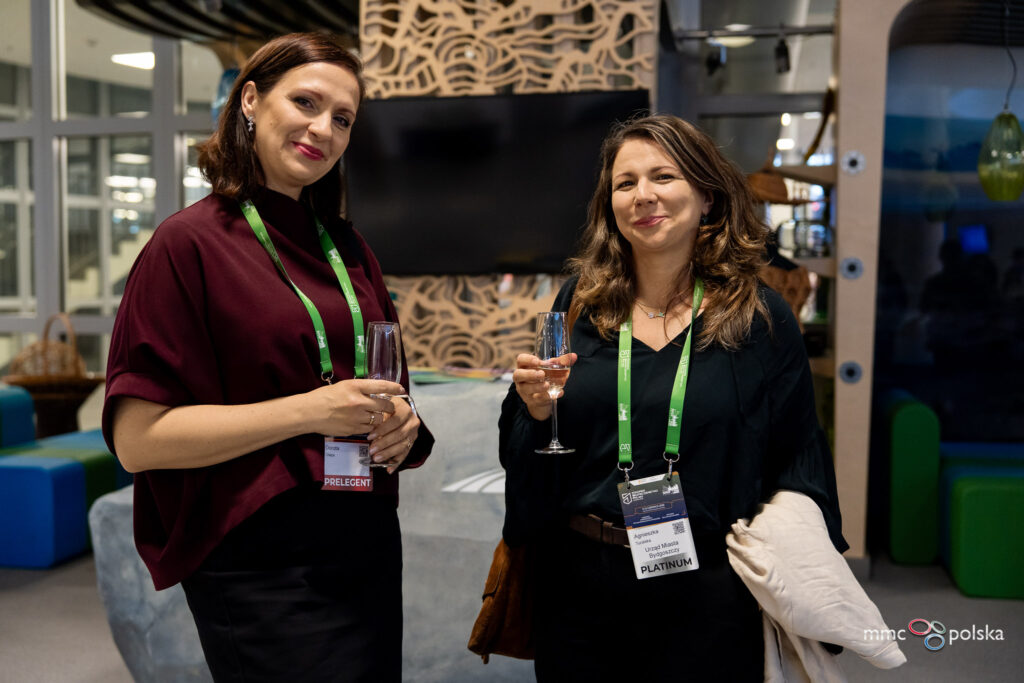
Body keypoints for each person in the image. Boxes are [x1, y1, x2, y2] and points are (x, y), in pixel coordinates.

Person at [102, 33, 433, 682]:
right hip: (259, 562)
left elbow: (384, 387)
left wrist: (404, 424)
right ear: (250, 100)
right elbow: (138, 442)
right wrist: (309, 411)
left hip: (363, 541)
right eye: (306, 102)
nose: (324, 129)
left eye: (343, 119)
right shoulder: (186, 245)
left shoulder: (347, 247)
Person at [499, 114, 846, 681]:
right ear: (610, 204)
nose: (643, 195)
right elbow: (531, 442)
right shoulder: (580, 302)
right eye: (625, 182)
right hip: (580, 587)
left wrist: (815, 583)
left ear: (706, 196)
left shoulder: (759, 316)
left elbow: (799, 453)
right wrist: (534, 409)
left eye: (663, 176)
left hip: (708, 590)